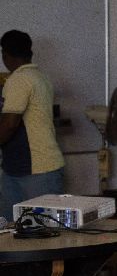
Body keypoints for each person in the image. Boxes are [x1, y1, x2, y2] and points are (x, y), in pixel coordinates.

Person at [0, 30, 65, 221]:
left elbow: (10, 124)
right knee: (37, 229)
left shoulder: (18, 79)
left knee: (30, 230)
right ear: (30, 53)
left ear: (5, 55)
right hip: (27, 168)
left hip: (34, 171)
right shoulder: (40, 76)